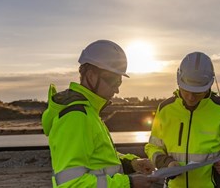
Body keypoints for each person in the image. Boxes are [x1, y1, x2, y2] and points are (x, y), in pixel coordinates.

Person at [42, 39, 159, 187]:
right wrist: (128, 183)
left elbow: (99, 159)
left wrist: (132, 163)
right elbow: (72, 184)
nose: (117, 90)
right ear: (91, 76)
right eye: (113, 81)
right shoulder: (75, 117)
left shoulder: (89, 112)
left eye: (120, 82)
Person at [145, 52, 220, 188]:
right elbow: (153, 147)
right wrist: (166, 163)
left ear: (209, 85)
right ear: (178, 82)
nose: (190, 97)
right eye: (186, 90)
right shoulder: (165, 109)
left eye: (197, 93)